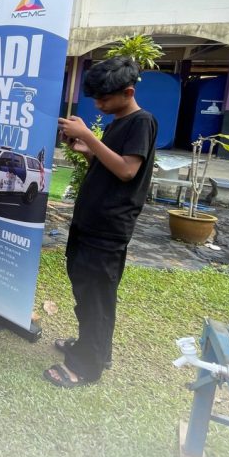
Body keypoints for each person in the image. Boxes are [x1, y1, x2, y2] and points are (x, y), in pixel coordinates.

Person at [47, 57, 158, 387]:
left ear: (128, 92)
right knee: (87, 290)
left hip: (108, 227)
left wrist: (89, 136)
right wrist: (87, 150)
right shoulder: (117, 123)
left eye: (104, 99)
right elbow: (109, 166)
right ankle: (94, 349)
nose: (98, 105)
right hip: (91, 220)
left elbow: (127, 170)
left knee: (95, 296)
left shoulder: (142, 122)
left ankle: (86, 366)